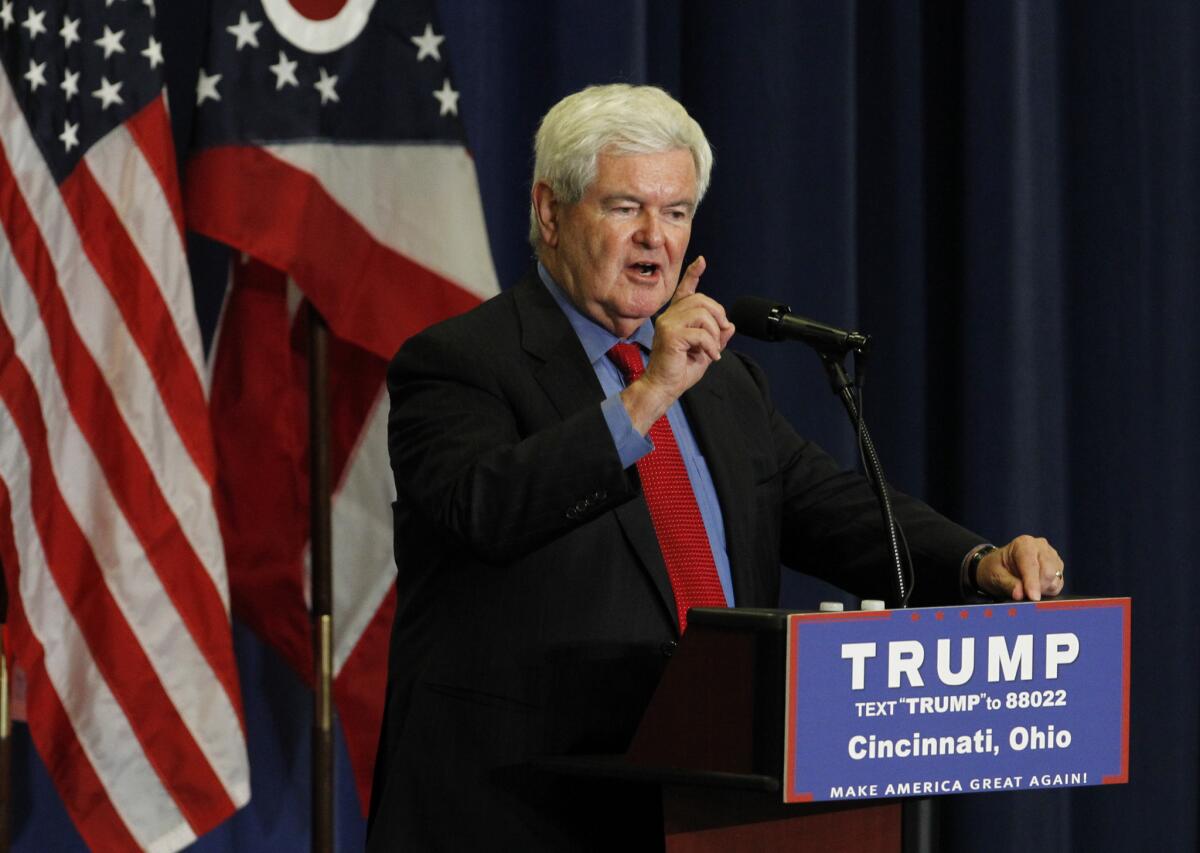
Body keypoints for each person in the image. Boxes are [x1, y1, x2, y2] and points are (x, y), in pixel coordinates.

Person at [366, 83, 1064, 851]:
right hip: (519, 808)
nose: (654, 239)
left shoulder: (722, 381)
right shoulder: (461, 362)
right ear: (550, 211)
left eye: (675, 212)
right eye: (625, 207)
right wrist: (648, 393)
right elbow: (487, 508)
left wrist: (974, 562)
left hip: (708, 800)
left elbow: (825, 505)